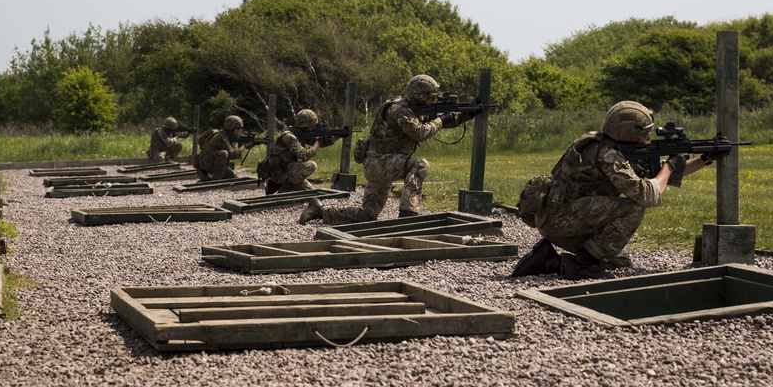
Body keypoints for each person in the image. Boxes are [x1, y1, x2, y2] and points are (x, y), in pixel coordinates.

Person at [511, 100, 726, 280]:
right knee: (634, 207)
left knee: (618, 261)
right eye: (645, 134)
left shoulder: (610, 146)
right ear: (628, 133)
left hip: (563, 216)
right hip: (560, 220)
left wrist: (705, 158)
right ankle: (582, 266)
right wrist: (669, 166)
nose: (648, 139)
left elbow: (662, 176)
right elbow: (648, 195)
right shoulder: (608, 155)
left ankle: (550, 261)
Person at [304, 74, 469, 226]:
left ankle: (320, 210)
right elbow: (420, 133)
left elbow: (444, 120)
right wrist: (441, 119)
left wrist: (466, 114)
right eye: (430, 99)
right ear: (420, 96)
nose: (432, 102)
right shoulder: (400, 109)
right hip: (379, 162)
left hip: (382, 164)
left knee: (367, 216)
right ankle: (408, 214)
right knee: (420, 165)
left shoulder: (413, 109)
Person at [259, 109, 335, 223]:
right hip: (280, 172)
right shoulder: (289, 136)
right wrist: (318, 142)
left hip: (287, 170)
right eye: (312, 125)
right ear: (306, 125)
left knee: (312, 194)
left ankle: (285, 187)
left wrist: (335, 137)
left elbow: (319, 142)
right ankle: (283, 185)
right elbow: (304, 155)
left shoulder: (299, 133)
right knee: (311, 165)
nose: (313, 127)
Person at [195, 115, 248, 181]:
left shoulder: (229, 136)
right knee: (224, 153)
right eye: (238, 128)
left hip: (210, 162)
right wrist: (244, 147)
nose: (240, 130)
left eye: (241, 128)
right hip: (205, 163)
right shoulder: (221, 137)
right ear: (231, 128)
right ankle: (216, 180)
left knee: (233, 176)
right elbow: (232, 155)